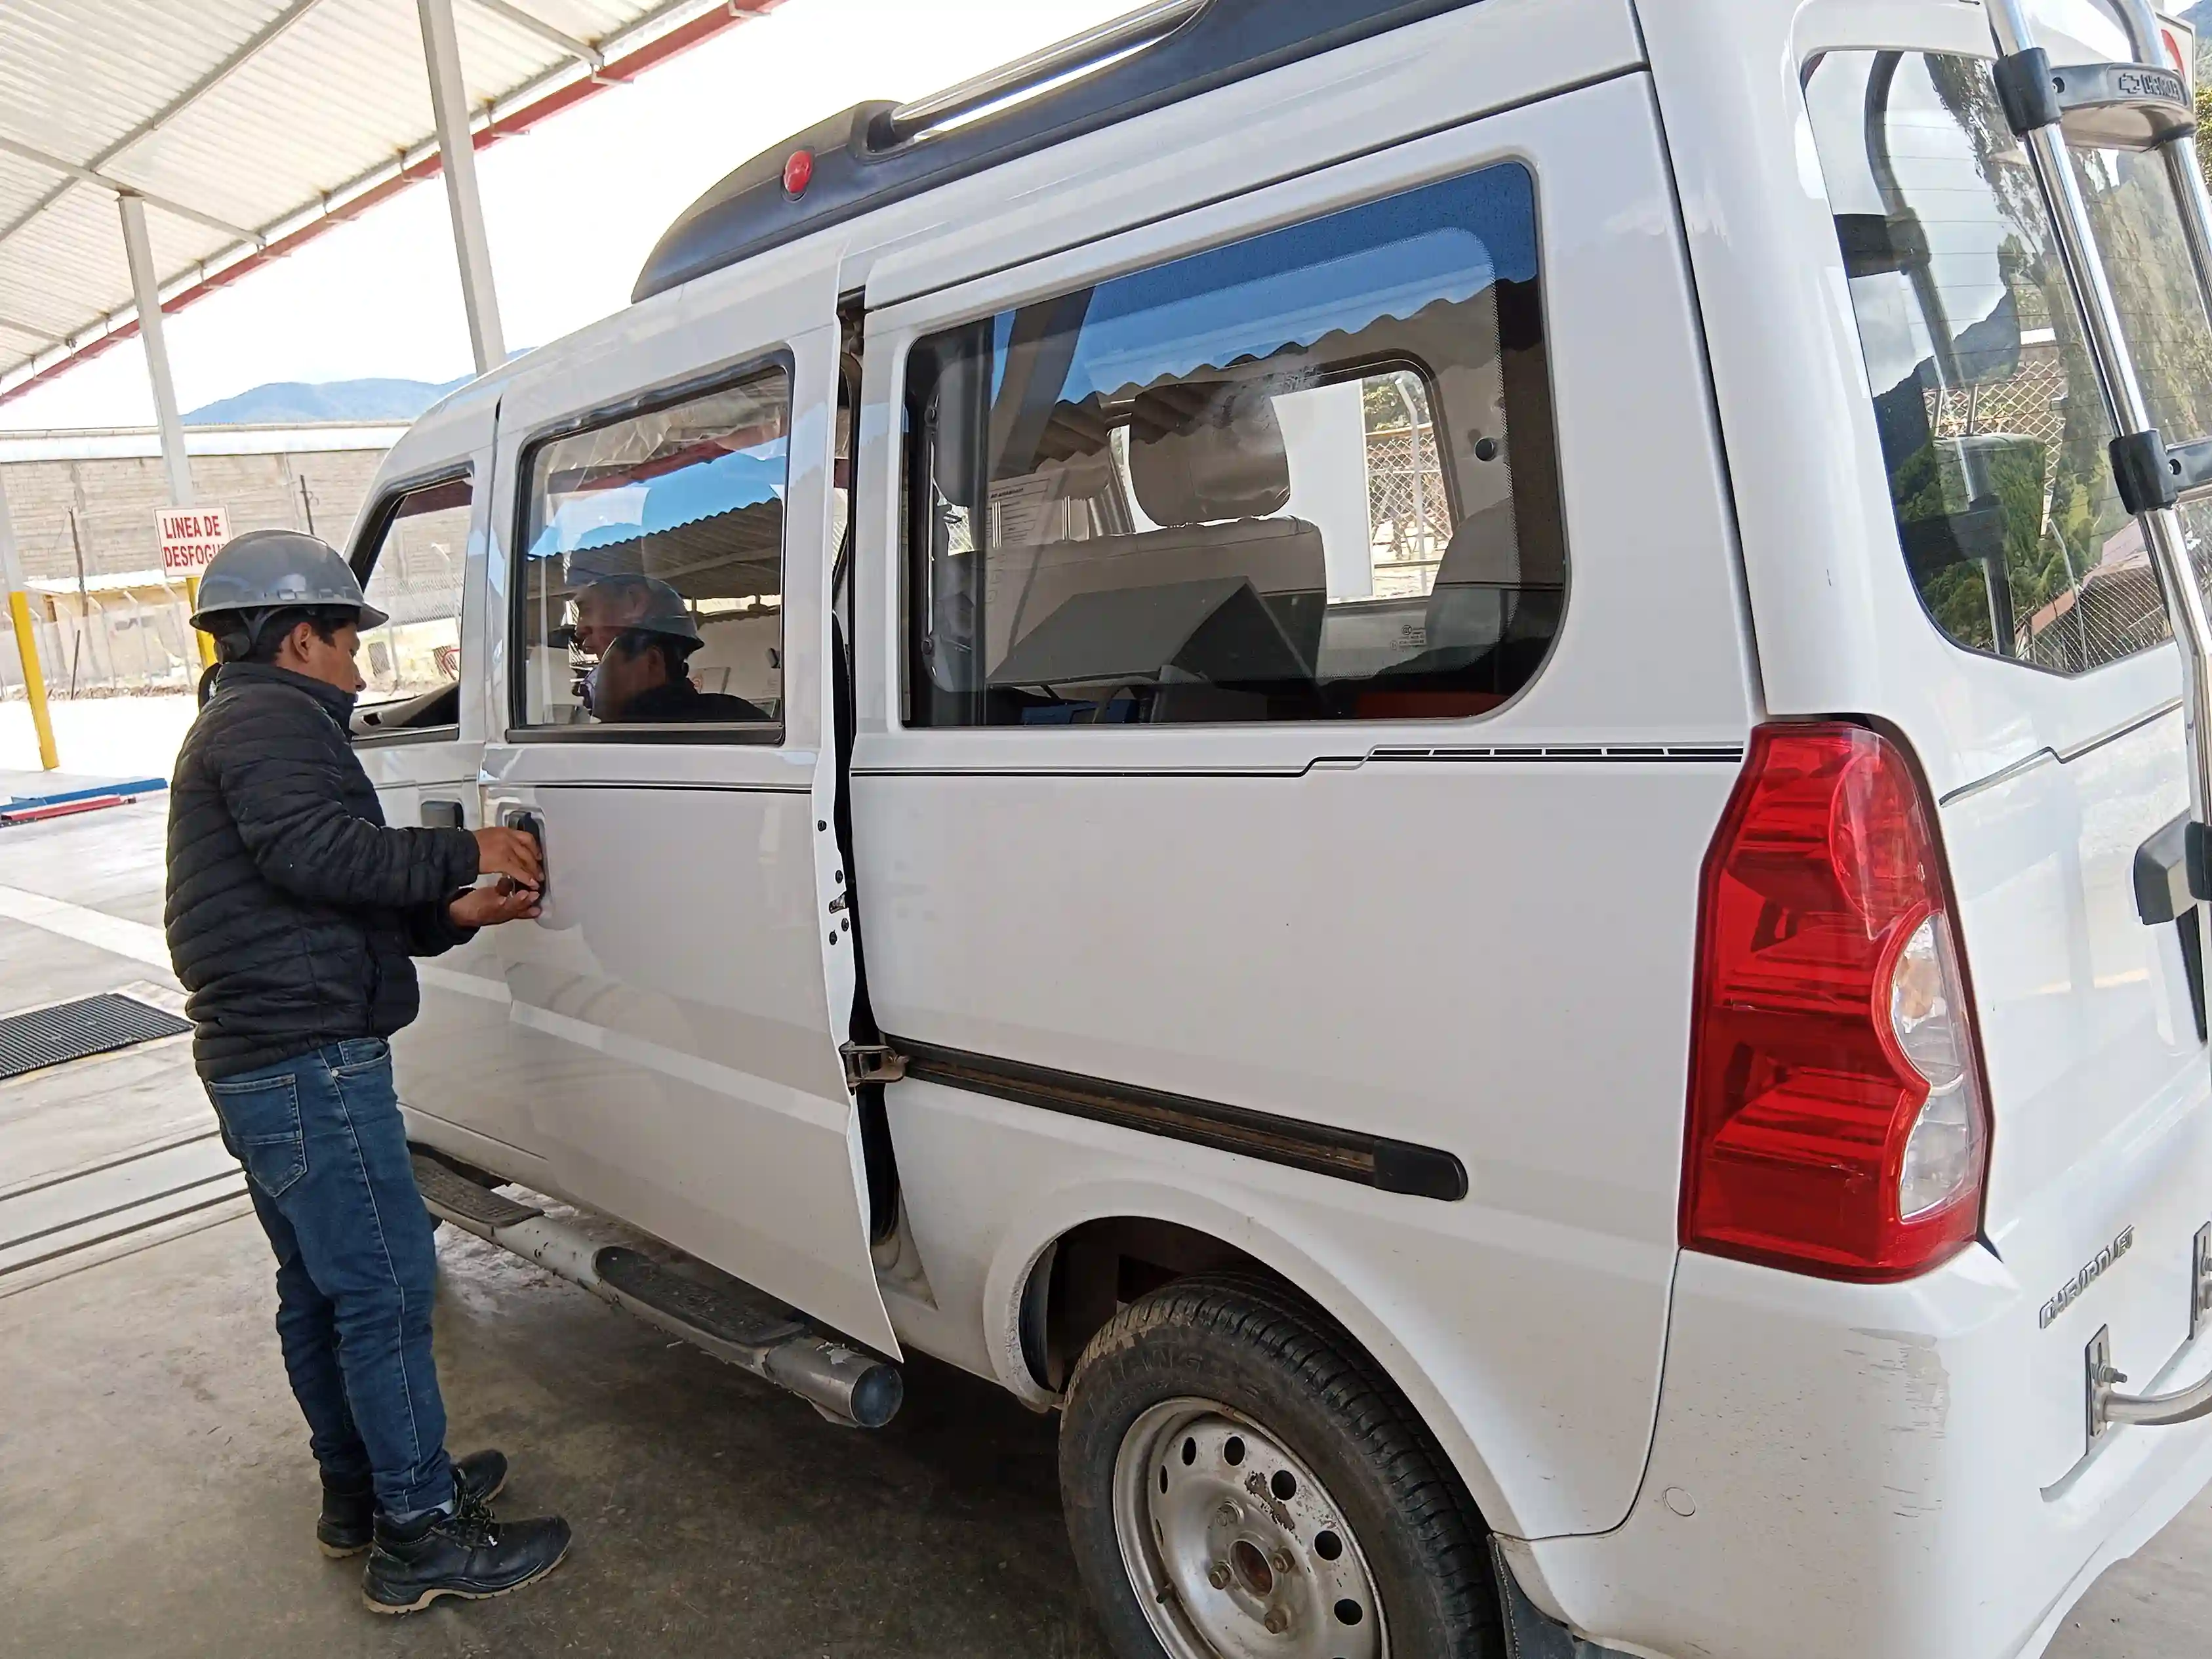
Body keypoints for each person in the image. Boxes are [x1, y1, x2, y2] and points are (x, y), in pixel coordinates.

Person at [165, 529, 573, 1615]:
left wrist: (446, 914)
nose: (360, 671)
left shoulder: (240, 721)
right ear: (301, 636)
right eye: (350, 645)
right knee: (386, 1290)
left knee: (324, 1288)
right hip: (307, 1061)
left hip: (266, 1056)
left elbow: (310, 900)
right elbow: (320, 855)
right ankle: (421, 1532)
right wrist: (468, 849)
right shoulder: (270, 722)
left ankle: (365, 1491)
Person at [565, 571, 768, 723]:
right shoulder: (738, 719)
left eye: (587, 610)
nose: (579, 629)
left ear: (651, 662)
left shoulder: (625, 740)